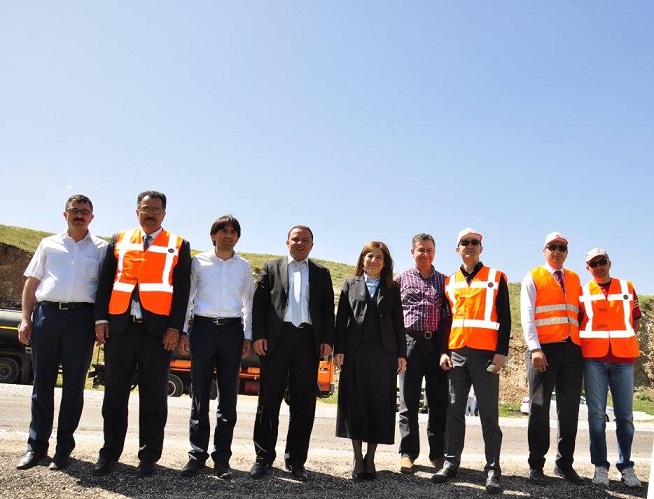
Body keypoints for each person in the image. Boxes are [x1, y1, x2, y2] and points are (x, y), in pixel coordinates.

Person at [92, 191, 191, 477]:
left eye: (156, 209)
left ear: (164, 213)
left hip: (157, 333)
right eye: (146, 208)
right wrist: (101, 318)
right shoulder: (119, 239)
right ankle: (109, 453)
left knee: (153, 397)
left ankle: (148, 456)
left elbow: (182, 290)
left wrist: (175, 327)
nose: (150, 213)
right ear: (137, 211)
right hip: (120, 328)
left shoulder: (178, 244)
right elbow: (105, 282)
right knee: (114, 396)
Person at [16, 195, 108, 471]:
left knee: (73, 388)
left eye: (85, 211)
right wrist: (25, 319)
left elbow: (104, 290)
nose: (79, 215)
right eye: (74, 210)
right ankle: (36, 447)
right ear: (64, 214)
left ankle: (63, 450)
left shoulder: (102, 249)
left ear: (92, 217)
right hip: (47, 316)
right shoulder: (48, 244)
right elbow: (32, 283)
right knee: (42, 384)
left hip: (82, 320)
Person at [250, 225, 335, 482]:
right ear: (287, 242)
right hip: (277, 340)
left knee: (303, 404)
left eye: (305, 240)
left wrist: (327, 341)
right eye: (295, 239)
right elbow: (259, 306)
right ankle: (263, 458)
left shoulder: (322, 273)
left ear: (312, 244)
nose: (300, 243)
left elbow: (327, 310)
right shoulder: (271, 268)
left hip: (308, 341)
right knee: (269, 400)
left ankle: (296, 460)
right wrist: (259, 336)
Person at [432, 228, 511, 494]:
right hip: (456, 354)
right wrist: (443, 350)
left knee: (488, 414)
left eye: (474, 242)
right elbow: (446, 321)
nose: (469, 246)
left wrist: (502, 352)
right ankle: (451, 463)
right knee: (454, 411)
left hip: (487, 355)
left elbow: (505, 319)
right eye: (464, 243)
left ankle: (492, 470)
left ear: (481, 247)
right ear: (457, 249)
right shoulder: (449, 282)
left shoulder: (496, 277)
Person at [179, 215, 255, 479]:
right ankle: (196, 455)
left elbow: (249, 303)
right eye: (223, 230)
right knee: (199, 394)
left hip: (232, 332)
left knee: (228, 398)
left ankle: (222, 458)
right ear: (213, 235)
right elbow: (188, 298)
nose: (228, 235)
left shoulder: (243, 266)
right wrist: (184, 331)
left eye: (233, 231)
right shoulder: (198, 262)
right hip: (203, 329)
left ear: (238, 237)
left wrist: (247, 334)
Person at [334, 242, 407, 481]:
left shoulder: (392, 288)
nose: (374, 261)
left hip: (384, 354)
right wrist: (339, 350)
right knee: (355, 404)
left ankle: (371, 458)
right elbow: (341, 320)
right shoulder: (349, 284)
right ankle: (357, 458)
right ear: (362, 259)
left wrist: (401, 354)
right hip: (355, 353)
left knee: (378, 405)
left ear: (385, 263)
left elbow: (398, 323)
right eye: (369, 256)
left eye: (379, 257)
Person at [521, 231, 583, 486]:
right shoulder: (533, 276)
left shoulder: (576, 278)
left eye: (561, 247)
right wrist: (535, 348)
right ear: (544, 251)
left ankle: (564, 464)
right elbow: (527, 314)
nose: (557, 251)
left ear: (566, 252)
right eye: (552, 247)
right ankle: (536, 465)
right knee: (539, 407)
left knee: (569, 410)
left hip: (572, 349)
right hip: (544, 350)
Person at [578, 248, 642, 488]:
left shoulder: (627, 288)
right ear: (588, 268)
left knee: (625, 417)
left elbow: (635, 320)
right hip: (593, 358)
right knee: (596, 416)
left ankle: (626, 467)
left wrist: (622, 341)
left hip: (623, 359)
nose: (599, 266)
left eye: (602, 261)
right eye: (593, 264)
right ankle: (600, 467)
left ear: (609, 262)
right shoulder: (582, 293)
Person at [396, 233, 450, 473]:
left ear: (434, 252)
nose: (425, 254)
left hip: (436, 345)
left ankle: (438, 453)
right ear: (412, 252)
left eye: (429, 250)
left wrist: (444, 350)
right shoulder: (400, 280)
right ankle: (408, 453)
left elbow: (448, 318)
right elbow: (393, 317)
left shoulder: (445, 281)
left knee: (438, 402)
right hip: (409, 344)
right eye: (421, 250)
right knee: (408, 402)